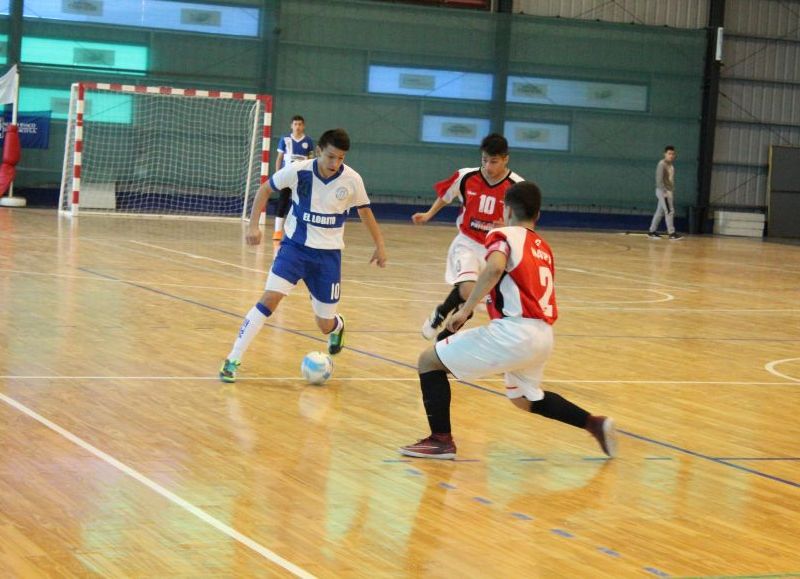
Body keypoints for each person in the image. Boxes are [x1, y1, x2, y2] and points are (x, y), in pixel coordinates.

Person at [399, 181, 617, 460]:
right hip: (543, 335)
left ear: (506, 209)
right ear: (537, 215)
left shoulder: (502, 234)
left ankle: (441, 440)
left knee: (429, 361)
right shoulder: (543, 247)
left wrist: (466, 309)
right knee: (524, 399)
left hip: (514, 333)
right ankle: (594, 424)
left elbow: (494, 268)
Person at [219, 128, 387, 383]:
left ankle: (338, 326)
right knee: (268, 300)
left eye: (340, 158)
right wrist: (253, 225)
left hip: (328, 258)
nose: (335, 163)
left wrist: (380, 244)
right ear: (319, 150)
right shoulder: (299, 170)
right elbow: (265, 189)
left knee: (324, 324)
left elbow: (365, 212)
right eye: (331, 156)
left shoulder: (352, 180)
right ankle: (233, 358)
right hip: (294, 250)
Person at [412, 133, 523, 342]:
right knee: (468, 289)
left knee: (473, 299)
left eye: (494, 162)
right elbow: (445, 196)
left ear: (506, 159)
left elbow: (523, 222)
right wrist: (428, 214)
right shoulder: (466, 177)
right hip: (468, 242)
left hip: (495, 249)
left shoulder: (517, 186)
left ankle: (444, 338)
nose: (488, 166)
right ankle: (441, 313)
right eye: (484, 160)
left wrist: (508, 226)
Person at [273, 115, 315, 241]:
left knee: (303, 204)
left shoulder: (308, 141)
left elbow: (311, 159)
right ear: (291, 126)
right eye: (295, 124)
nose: (298, 127)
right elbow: (279, 158)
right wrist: (277, 174)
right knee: (283, 202)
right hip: (287, 176)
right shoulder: (285, 139)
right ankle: (277, 231)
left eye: (300, 124)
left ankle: (302, 231)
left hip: (302, 178)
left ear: (304, 126)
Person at [648, 145, 682, 240]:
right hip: (664, 191)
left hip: (668, 190)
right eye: (669, 153)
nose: (671, 155)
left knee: (660, 211)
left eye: (673, 154)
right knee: (670, 211)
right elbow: (659, 180)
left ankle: (652, 231)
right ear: (665, 154)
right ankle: (671, 233)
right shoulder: (661, 164)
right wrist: (664, 192)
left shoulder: (671, 165)